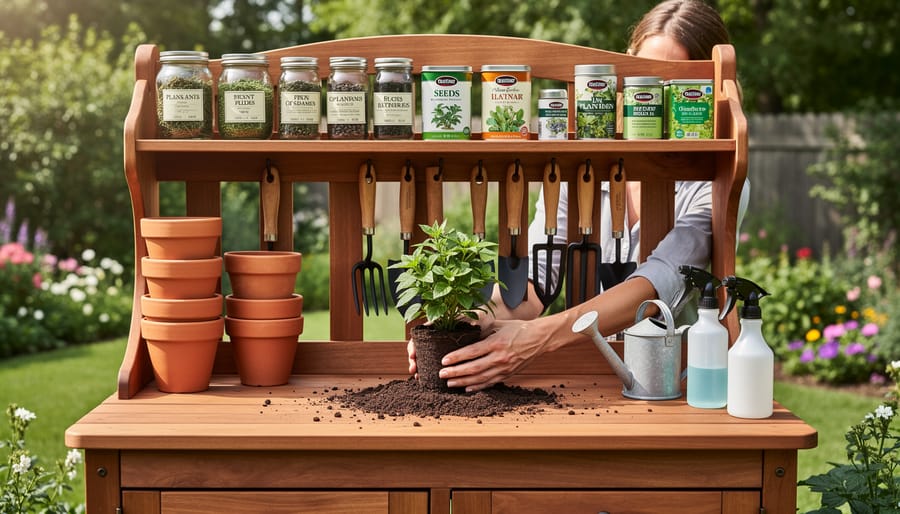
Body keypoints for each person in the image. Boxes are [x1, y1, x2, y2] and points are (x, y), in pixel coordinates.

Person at [409, 0, 746, 392]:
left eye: (671, 87)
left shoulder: (712, 184)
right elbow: (536, 284)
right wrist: (466, 319)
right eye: (643, 80)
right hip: (589, 378)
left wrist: (536, 338)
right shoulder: (582, 171)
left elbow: (659, 284)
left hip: (682, 381)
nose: (651, 99)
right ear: (624, 74)